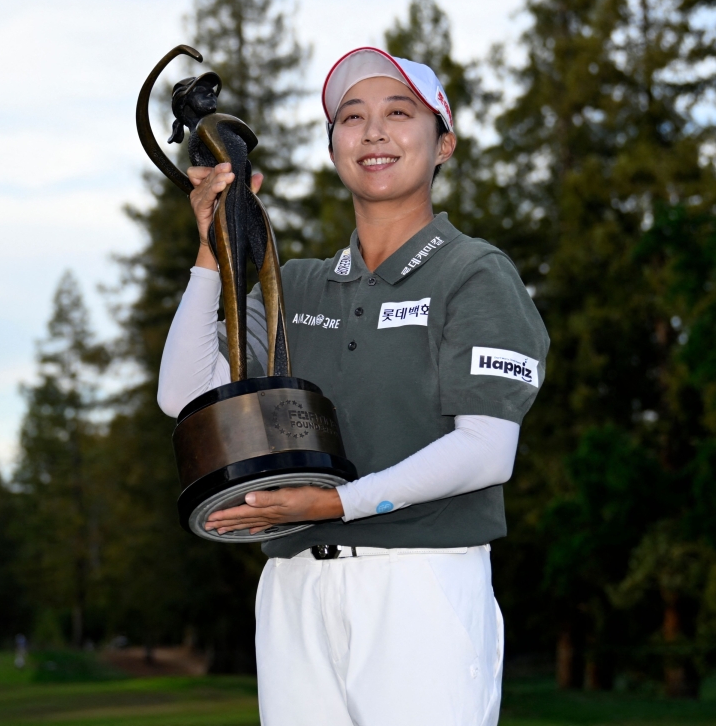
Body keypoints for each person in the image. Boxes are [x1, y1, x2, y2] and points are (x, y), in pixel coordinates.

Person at [157, 47, 549, 726]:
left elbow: (488, 450)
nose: (373, 131)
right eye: (351, 116)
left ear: (443, 143)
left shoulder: (473, 273)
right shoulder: (299, 284)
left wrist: (337, 503)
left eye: (400, 113)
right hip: (294, 590)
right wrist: (211, 250)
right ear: (334, 144)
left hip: (420, 583)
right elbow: (184, 393)